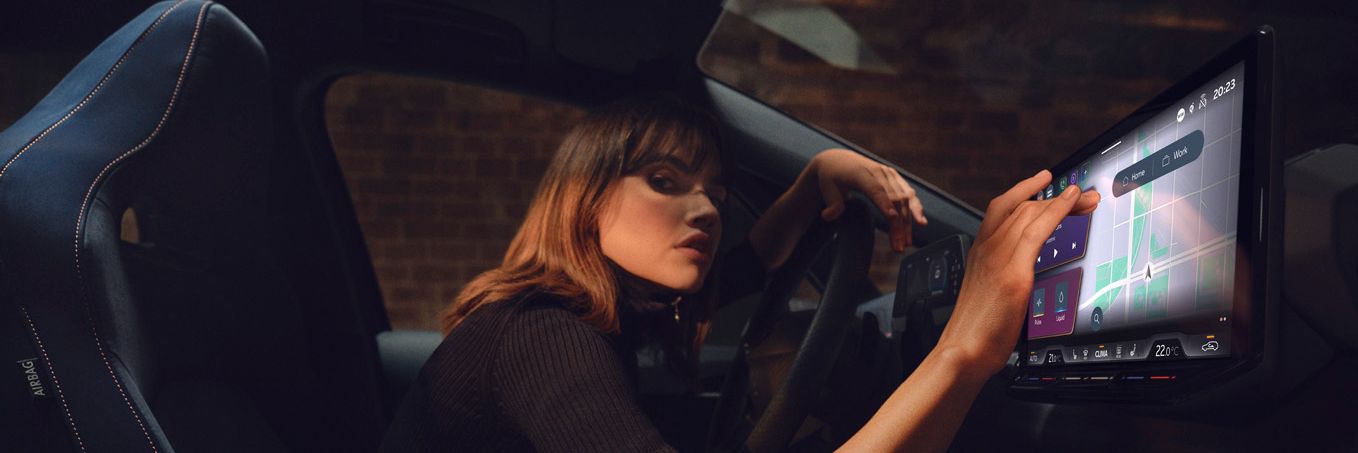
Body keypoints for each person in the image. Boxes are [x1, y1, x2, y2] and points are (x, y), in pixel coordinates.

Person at [378, 94, 1099, 452]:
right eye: (664, 181)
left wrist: (819, 173)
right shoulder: (542, 334)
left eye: (714, 192)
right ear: (584, 201)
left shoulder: (612, 310)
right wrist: (960, 351)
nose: (705, 210)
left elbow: (745, 266)